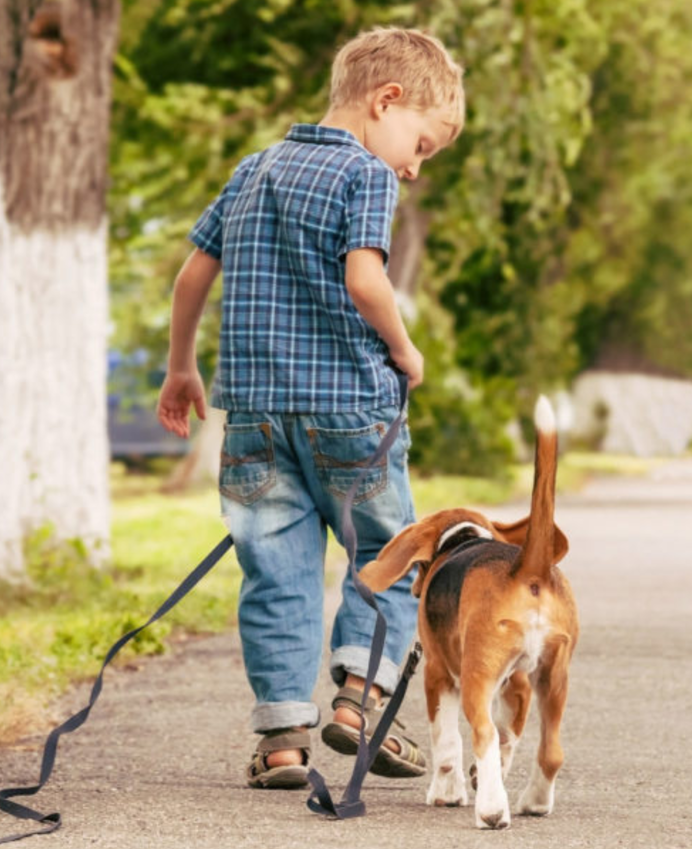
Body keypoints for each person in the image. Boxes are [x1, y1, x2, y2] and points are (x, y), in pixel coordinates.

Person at [155, 26, 465, 789]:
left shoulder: (253, 169)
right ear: (385, 100)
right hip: (349, 413)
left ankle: (283, 741)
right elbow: (365, 280)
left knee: (275, 571)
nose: (415, 168)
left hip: (254, 417)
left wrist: (180, 366)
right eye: (421, 144)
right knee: (389, 557)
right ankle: (359, 704)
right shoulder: (366, 175)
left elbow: (193, 274)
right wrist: (404, 348)